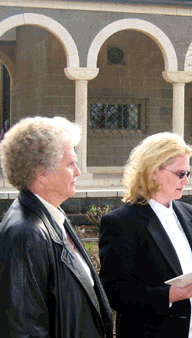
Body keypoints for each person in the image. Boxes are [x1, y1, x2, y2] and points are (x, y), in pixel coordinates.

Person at [99, 132, 192, 338]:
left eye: (188, 173)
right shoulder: (121, 223)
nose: (186, 181)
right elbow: (115, 292)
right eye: (180, 174)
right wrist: (170, 295)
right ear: (153, 172)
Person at [0, 116, 113, 337]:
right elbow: (23, 329)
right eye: (71, 164)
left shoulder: (52, 216)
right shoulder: (25, 234)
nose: (78, 172)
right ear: (41, 173)